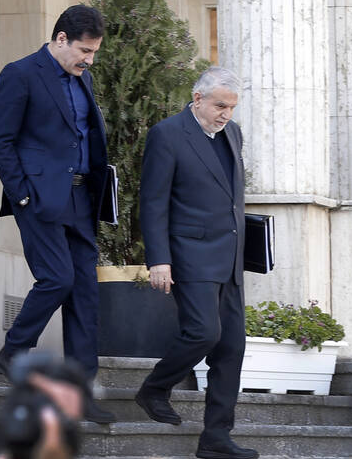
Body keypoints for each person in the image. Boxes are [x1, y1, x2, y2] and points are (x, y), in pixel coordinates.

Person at [0, 5, 115, 424]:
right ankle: (14, 350)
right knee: (58, 278)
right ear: (61, 39)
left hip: (81, 198)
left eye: (94, 52)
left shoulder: (84, 78)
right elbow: (0, 141)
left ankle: (82, 393)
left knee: (85, 294)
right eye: (84, 50)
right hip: (39, 198)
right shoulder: (20, 74)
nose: (89, 60)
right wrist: (22, 195)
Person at [135, 67, 258, 459]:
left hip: (230, 258)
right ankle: (155, 388)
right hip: (190, 254)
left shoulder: (233, 134)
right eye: (220, 106)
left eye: (232, 107)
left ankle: (216, 438)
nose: (226, 115)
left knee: (232, 346)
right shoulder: (167, 134)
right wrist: (159, 260)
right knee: (204, 333)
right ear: (198, 98)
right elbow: (153, 202)